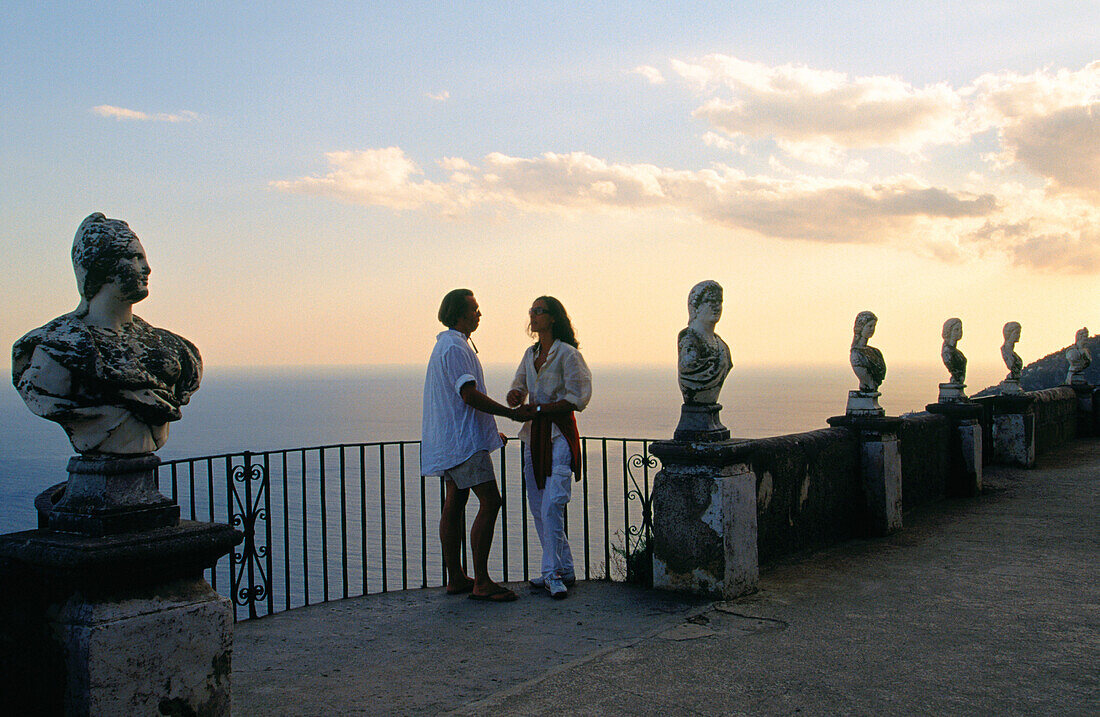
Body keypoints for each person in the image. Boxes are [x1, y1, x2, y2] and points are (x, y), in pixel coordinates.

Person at [11, 213, 202, 455]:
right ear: (102, 267)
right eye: (134, 257)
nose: (147, 268)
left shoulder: (172, 347)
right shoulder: (56, 347)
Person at [422, 289, 529, 602]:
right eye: (475, 309)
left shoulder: (447, 345)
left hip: (452, 441)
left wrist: (490, 434)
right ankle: (481, 582)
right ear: (460, 313)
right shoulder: (456, 347)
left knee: (455, 501)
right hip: (463, 444)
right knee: (491, 501)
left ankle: (456, 577)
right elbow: (467, 395)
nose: (479, 314)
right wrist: (509, 414)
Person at [506, 296, 592, 599]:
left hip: (559, 433)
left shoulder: (567, 354)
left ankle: (551, 574)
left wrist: (540, 410)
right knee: (539, 506)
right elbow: (518, 385)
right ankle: (564, 568)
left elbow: (578, 397)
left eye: (538, 311)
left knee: (553, 501)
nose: (533, 315)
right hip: (534, 436)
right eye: (531, 311)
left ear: (552, 317)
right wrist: (515, 396)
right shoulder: (531, 354)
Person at [850, 310, 886, 392]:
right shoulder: (856, 354)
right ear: (861, 327)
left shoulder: (875, 352)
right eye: (869, 326)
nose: (872, 329)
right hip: (868, 389)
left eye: (874, 326)